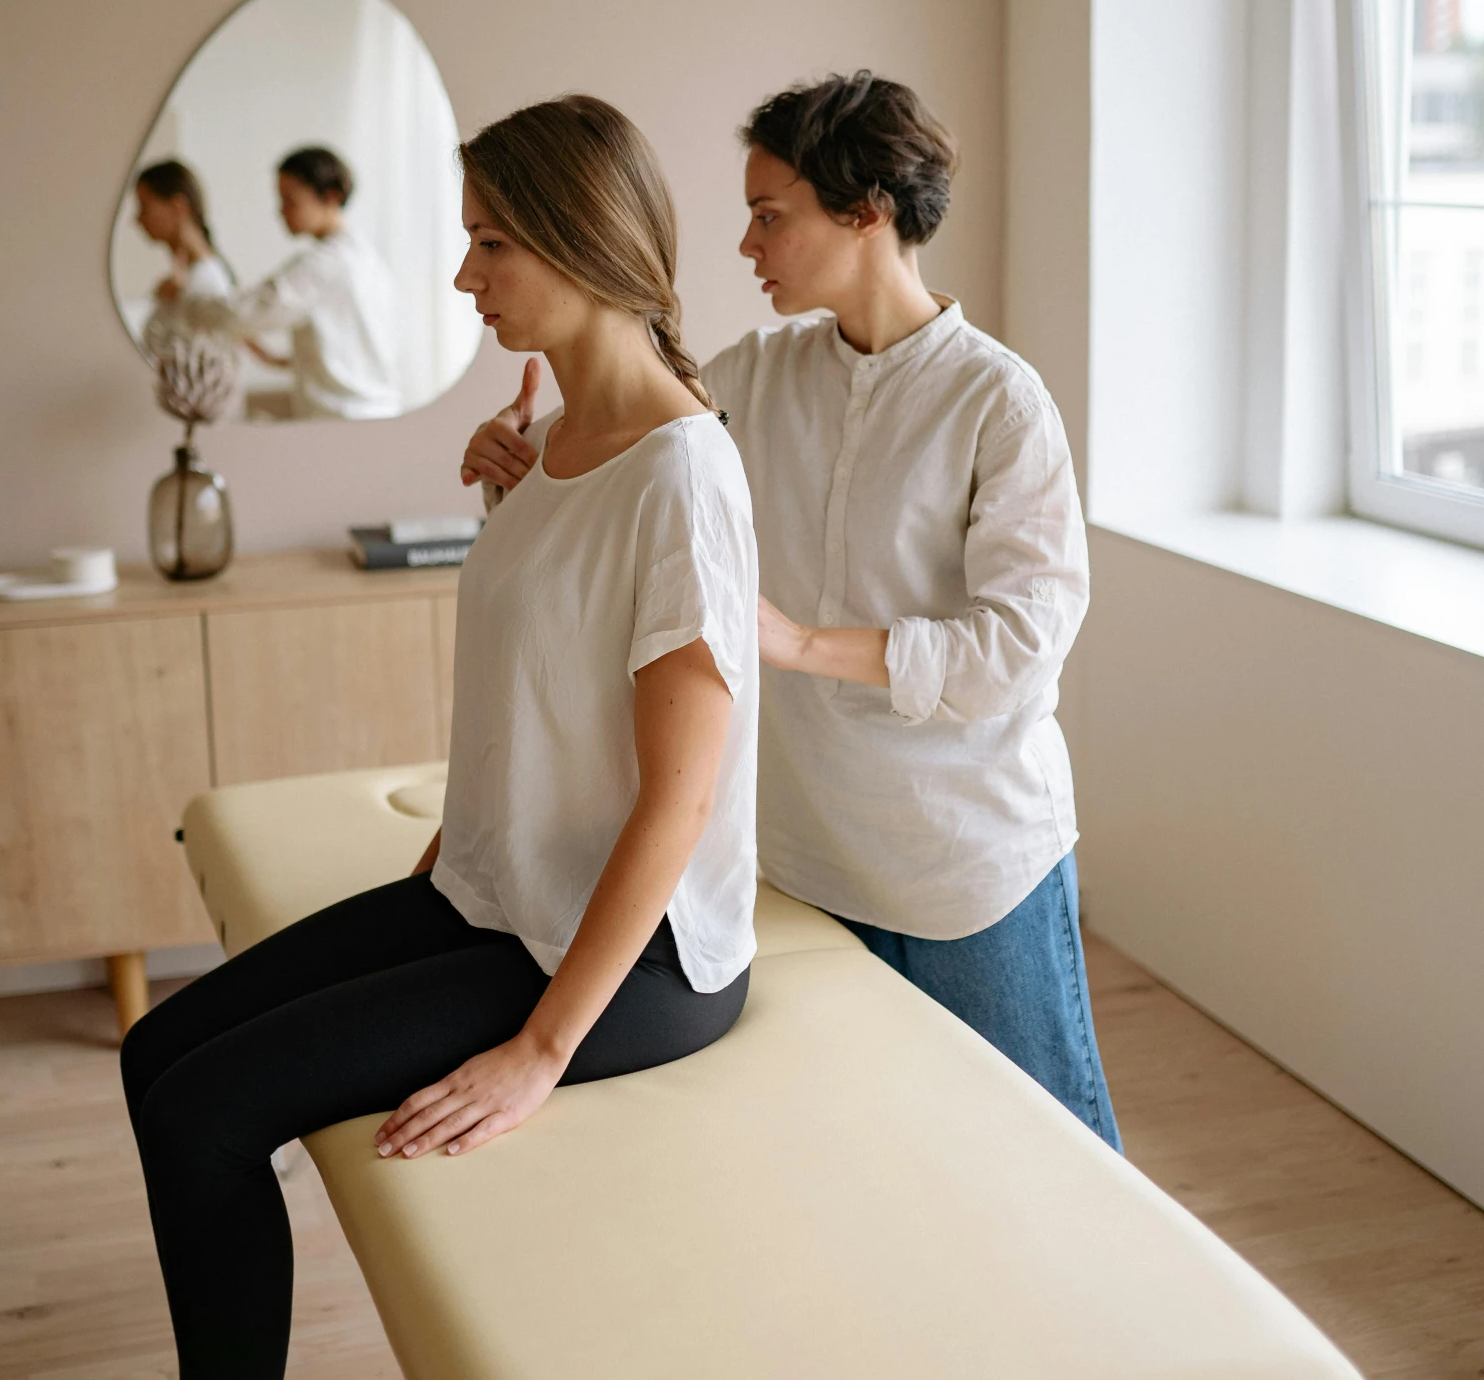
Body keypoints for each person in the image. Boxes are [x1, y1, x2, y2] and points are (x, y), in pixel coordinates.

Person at [121, 94, 759, 1376]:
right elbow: (542, 672)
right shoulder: (553, 438)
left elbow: (677, 805)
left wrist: (538, 1053)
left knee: (204, 1112)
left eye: (491, 246)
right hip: (496, 892)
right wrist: (514, 495)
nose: (464, 277)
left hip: (635, 961)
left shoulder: (682, 477)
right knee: (157, 1052)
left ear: (581, 247)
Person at [463, 72, 1117, 1149]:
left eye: (771, 215)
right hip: (808, 861)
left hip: (966, 864)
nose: (746, 244)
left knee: (1054, 1151)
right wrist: (522, 468)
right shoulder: (755, 375)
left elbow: (1021, 648)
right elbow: (641, 480)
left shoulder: (998, 402)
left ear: (866, 213)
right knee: (882, 1152)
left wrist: (801, 643)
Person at [166, 145, 404, 419]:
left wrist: (188, 298)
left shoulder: (323, 264)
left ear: (331, 197)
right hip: (376, 412)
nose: (280, 212)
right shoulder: (366, 257)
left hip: (343, 420)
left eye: (290, 201)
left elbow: (243, 313)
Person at [130, 159, 234, 359]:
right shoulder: (184, 281)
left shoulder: (204, 282)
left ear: (178, 206)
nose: (138, 219)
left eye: (144, 206)